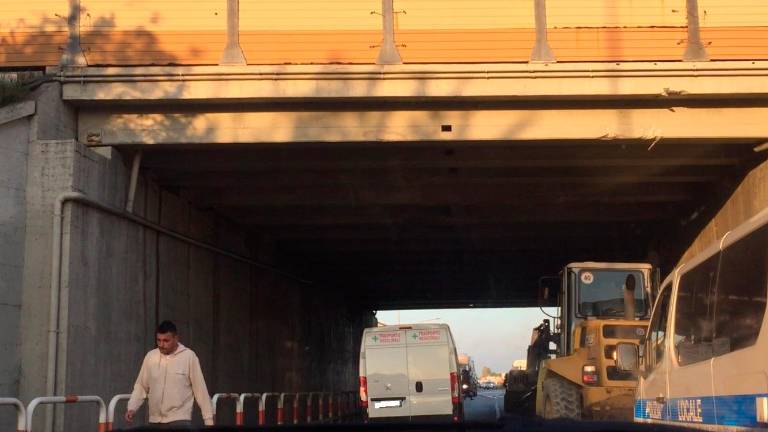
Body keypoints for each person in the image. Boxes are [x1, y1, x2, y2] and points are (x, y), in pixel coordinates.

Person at [125, 321, 214, 428]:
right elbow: (141, 386)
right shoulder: (150, 357)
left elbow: (200, 390)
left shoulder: (189, 357)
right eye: (159, 340)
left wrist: (208, 421)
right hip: (155, 421)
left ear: (176, 338)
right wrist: (132, 407)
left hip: (179, 421)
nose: (161, 344)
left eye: (166, 341)